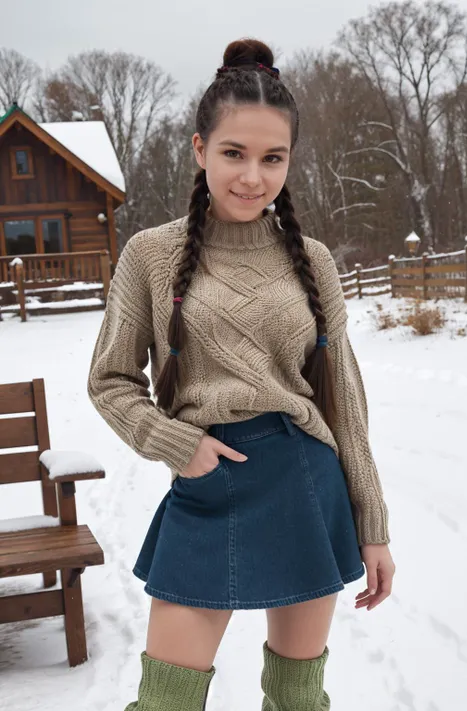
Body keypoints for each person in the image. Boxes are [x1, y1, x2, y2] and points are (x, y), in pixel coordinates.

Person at [87, 37, 396, 711]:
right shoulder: (151, 254)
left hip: (305, 485)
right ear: (200, 149)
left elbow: (346, 404)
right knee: (165, 700)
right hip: (208, 487)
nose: (253, 175)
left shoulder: (312, 260)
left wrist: (373, 524)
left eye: (272, 157)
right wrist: (179, 445)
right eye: (234, 153)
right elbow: (109, 380)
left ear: (289, 159)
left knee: (296, 697)